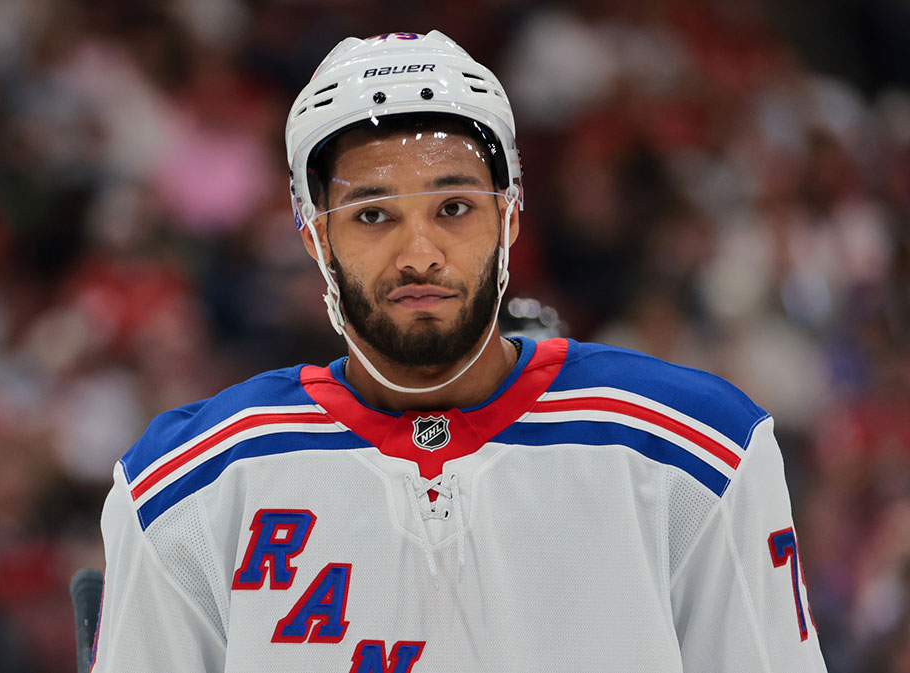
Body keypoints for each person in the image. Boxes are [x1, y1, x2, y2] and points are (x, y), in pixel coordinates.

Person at [91, 31, 829, 672]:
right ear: (315, 235)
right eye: (373, 213)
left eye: (453, 208)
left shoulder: (696, 452)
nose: (420, 253)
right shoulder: (180, 490)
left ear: (509, 217)